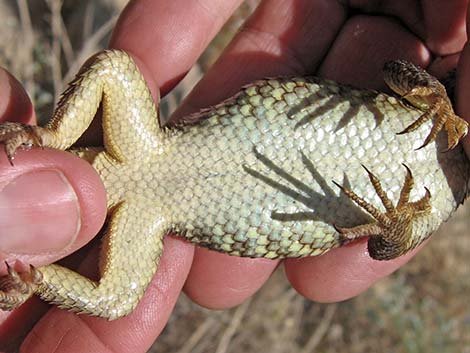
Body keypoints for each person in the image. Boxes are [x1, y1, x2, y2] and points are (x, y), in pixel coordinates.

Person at [1, 0, 469, 351]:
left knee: (117, 300)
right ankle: (50, 136)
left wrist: (394, 228)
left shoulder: (442, 200)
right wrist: (432, 95)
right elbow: (393, 70)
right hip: (154, 149)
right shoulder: (441, 109)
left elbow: (385, 247)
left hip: (156, 213)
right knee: (116, 69)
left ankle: (29, 279)